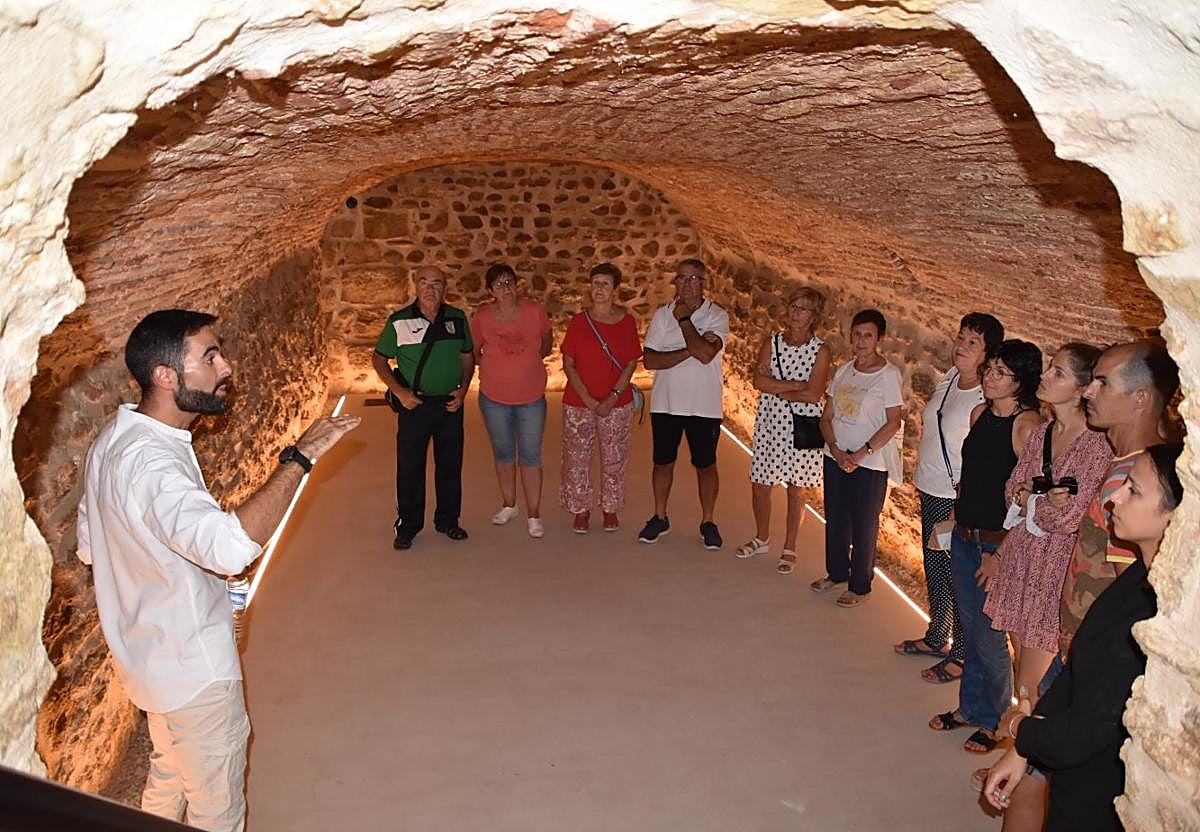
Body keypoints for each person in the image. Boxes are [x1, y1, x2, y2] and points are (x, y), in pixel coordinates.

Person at [76, 310, 360, 831]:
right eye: (209, 357)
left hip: (148, 660)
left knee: (168, 774)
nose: (225, 366)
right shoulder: (155, 466)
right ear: (166, 375)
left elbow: (92, 547)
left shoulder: (113, 441)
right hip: (193, 670)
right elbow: (230, 549)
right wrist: (300, 458)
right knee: (217, 809)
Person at [977, 337, 1180, 831]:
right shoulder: (1119, 462)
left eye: (1101, 382)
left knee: (1045, 785)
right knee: (1035, 777)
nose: (1089, 391)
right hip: (1078, 649)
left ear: (1139, 397)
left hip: (1100, 665)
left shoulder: (1151, 480)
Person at [927, 339, 1042, 753]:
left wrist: (1001, 553)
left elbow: (1029, 501)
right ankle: (970, 708)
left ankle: (996, 719)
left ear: (1021, 381)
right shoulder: (980, 414)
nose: (988, 377)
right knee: (971, 629)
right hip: (965, 535)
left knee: (992, 636)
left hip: (995, 544)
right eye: (989, 368)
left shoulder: (1027, 427)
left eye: (999, 372)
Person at [985, 343, 1110, 707]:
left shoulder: (1096, 446)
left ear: (1082, 389)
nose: (1044, 376)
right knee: (1020, 663)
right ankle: (1024, 748)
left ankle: (1022, 754)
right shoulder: (1042, 434)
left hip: (1057, 569)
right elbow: (1011, 489)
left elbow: (1071, 517)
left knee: (1031, 680)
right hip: (1023, 560)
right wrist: (1037, 500)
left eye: (1058, 372)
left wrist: (1031, 500)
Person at [896, 312, 1004, 683]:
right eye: (961, 338)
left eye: (972, 342)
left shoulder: (982, 397)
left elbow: (979, 456)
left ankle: (959, 653)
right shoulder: (950, 380)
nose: (961, 346)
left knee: (954, 573)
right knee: (935, 567)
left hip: (953, 496)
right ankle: (936, 635)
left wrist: (963, 500)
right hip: (931, 486)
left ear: (988, 354)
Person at [373, 265, 475, 550]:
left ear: (445, 288)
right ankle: (408, 526)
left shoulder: (457, 318)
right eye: (424, 282)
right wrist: (399, 392)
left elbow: (468, 357)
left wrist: (464, 389)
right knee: (410, 467)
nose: (430, 288)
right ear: (415, 286)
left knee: (450, 465)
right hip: (413, 403)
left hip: (449, 403)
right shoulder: (399, 320)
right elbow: (379, 360)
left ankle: (448, 520)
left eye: (437, 283)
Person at [809, 308, 903, 607]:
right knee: (835, 518)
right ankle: (836, 572)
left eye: (868, 335)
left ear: (879, 339)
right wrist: (836, 450)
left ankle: (859, 584)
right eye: (857, 334)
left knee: (864, 524)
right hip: (836, 455)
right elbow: (827, 417)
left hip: (869, 462)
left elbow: (893, 422)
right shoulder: (844, 370)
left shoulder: (888, 375)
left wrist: (861, 454)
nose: (862, 341)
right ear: (850, 337)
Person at [735, 287, 831, 574]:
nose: (795, 312)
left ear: (814, 316)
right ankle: (761, 538)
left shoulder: (821, 350)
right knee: (760, 484)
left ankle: (790, 547)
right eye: (793, 306)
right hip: (771, 422)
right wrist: (797, 386)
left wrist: (782, 387)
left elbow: (815, 394)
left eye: (802, 308)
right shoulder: (772, 342)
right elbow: (759, 381)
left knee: (796, 488)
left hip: (802, 426)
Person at [638, 258, 730, 549]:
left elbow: (707, 355)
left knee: (706, 465)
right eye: (682, 278)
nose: (688, 284)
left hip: (703, 406)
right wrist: (691, 347)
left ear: (704, 283)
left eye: (694, 279)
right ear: (674, 282)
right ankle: (659, 516)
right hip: (666, 404)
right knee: (662, 463)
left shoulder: (717, 315)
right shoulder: (661, 315)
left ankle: (708, 520)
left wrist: (684, 321)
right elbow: (651, 360)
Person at [471, 263, 553, 538]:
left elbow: (546, 342)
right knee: (504, 454)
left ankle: (534, 513)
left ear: (517, 284)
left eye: (509, 282)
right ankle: (509, 504)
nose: (505, 288)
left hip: (531, 396)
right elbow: (473, 351)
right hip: (494, 397)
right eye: (499, 284)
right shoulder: (482, 317)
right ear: (490, 290)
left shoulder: (534, 311)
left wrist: (527, 363)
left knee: (531, 456)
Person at [559, 263, 642, 533]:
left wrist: (612, 396)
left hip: (616, 401)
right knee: (577, 458)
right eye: (595, 283)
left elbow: (631, 362)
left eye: (605, 284)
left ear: (615, 289)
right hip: (579, 401)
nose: (599, 289)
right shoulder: (579, 322)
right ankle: (580, 508)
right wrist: (589, 399)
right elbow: (569, 362)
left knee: (614, 457)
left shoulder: (627, 321)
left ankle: (610, 507)